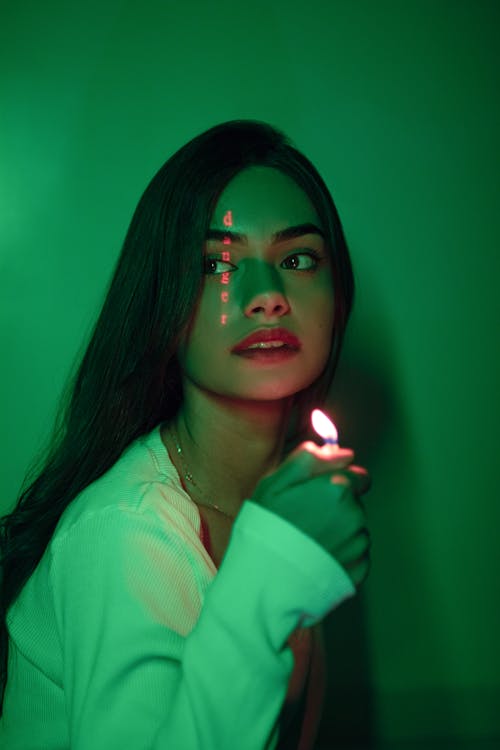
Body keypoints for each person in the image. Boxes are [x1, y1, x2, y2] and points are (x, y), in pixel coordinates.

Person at [0, 120, 371, 749]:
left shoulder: (293, 498)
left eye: (298, 258)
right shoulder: (124, 530)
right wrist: (277, 567)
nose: (267, 297)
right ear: (162, 302)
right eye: (218, 264)